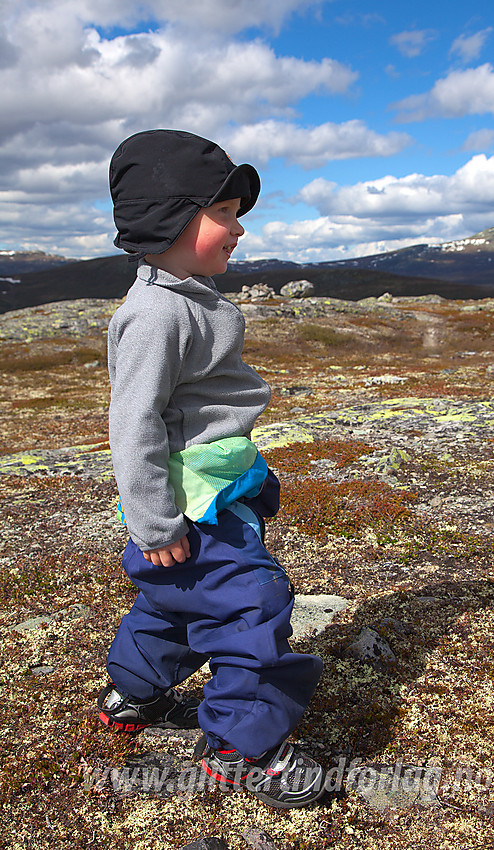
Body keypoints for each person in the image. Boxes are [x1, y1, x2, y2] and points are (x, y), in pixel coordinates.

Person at [97, 129, 325, 809]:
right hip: (186, 506)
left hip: (212, 493)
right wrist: (154, 522)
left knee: (173, 602)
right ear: (171, 218)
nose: (237, 227)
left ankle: (131, 696)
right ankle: (242, 746)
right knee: (251, 607)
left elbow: (200, 413)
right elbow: (133, 423)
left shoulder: (189, 297)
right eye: (222, 213)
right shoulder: (156, 314)